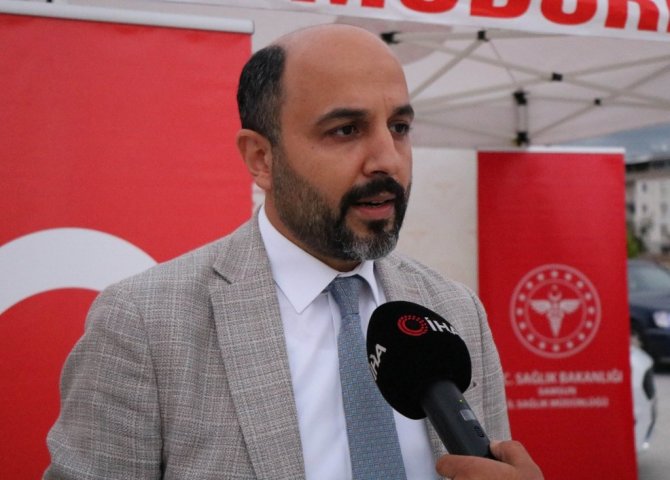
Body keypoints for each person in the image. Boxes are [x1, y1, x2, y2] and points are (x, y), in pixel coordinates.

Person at [45, 24, 542, 480]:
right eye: (346, 130)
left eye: (399, 127)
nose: (387, 159)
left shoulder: (455, 310)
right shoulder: (145, 323)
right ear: (261, 158)